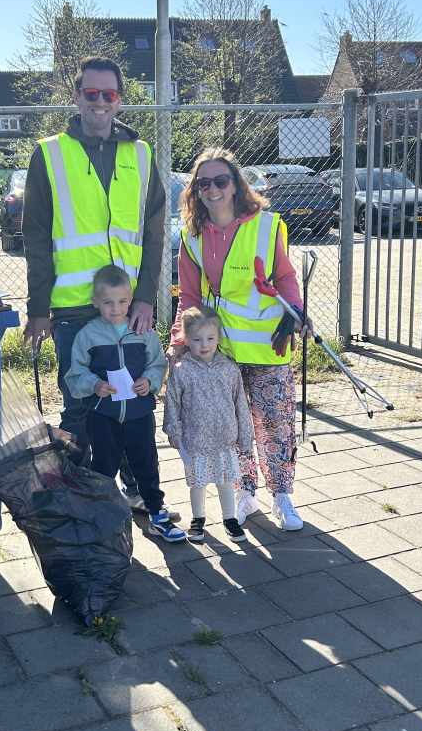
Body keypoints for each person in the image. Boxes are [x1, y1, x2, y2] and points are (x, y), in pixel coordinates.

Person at [20, 55, 179, 520]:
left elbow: (154, 232)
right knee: (82, 410)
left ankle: (132, 491)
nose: (100, 103)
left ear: (120, 99)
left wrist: (147, 294)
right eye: (91, 94)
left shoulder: (141, 153)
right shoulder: (49, 153)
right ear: (77, 96)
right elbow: (35, 236)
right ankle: (80, 499)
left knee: (131, 404)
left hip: (128, 308)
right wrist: (39, 307)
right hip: (72, 312)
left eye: (109, 95)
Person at [167, 147, 312, 532]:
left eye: (221, 181)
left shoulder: (264, 226)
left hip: (268, 346)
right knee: (232, 426)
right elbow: (190, 298)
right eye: (203, 183)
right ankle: (244, 491)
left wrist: (294, 310)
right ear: (196, 191)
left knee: (275, 425)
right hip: (220, 351)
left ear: (235, 185)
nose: (212, 189)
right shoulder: (191, 236)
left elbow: (284, 277)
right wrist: (179, 342)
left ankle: (282, 496)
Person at [65, 266, 184, 542]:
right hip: (102, 416)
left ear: (131, 299)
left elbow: (157, 364)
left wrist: (150, 381)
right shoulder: (88, 335)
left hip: (139, 414)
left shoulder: (143, 331)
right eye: (107, 302)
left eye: (121, 301)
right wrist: (94, 384)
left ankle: (156, 515)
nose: (115, 308)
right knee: (104, 467)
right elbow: (75, 374)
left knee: (147, 465)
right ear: (95, 302)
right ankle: (102, 521)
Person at [163, 306, 255, 543]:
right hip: (195, 441)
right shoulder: (182, 371)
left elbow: (240, 403)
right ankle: (198, 518)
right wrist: (174, 430)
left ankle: (229, 518)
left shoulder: (229, 368)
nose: (204, 345)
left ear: (218, 338)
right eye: (197, 339)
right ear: (186, 339)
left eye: (210, 339)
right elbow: (172, 402)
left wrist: (245, 435)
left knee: (225, 480)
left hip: (224, 439)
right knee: (198, 482)